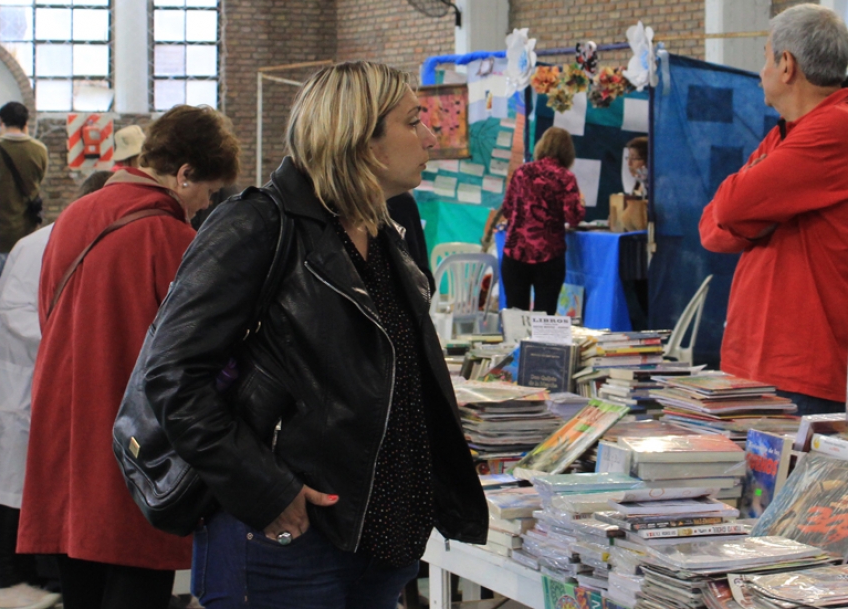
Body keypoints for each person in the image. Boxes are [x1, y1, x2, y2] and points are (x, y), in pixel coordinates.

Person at [138, 61, 488, 608]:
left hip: (381, 538)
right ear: (362, 140)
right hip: (288, 540)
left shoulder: (383, 232)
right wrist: (266, 489)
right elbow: (172, 378)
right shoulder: (256, 225)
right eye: (413, 121)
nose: (429, 136)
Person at [17, 105, 240, 609]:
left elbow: (46, 315)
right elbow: (198, 356)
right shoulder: (173, 237)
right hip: (138, 445)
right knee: (136, 576)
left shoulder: (75, 215)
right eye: (206, 191)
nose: (204, 206)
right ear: (183, 175)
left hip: (67, 430)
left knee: (81, 578)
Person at [0, 171, 112, 609]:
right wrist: (79, 340)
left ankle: (33, 579)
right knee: (13, 491)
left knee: (29, 489)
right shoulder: (40, 244)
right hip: (15, 386)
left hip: (37, 384)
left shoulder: (79, 237)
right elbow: (18, 312)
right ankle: (12, 583)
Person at [700, 3, 848, 415]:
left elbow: (729, 207)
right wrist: (757, 214)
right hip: (754, 363)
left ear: (787, 65)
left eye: (764, 56)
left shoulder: (836, 127)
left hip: (795, 372)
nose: (761, 70)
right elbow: (711, 229)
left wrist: (754, 215)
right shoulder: (785, 132)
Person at [485, 126, 585, 315]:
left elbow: (507, 209)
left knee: (516, 317)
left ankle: (516, 345)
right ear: (568, 151)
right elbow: (573, 217)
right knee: (544, 318)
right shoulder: (566, 178)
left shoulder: (522, 172)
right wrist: (581, 203)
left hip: (515, 253)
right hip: (549, 255)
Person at [0, 101, 48, 270]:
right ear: (25, 123)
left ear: (1, 122)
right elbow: (38, 181)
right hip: (27, 234)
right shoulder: (40, 150)